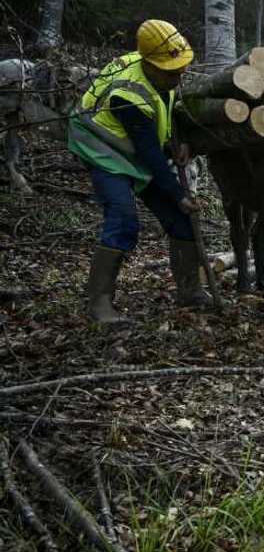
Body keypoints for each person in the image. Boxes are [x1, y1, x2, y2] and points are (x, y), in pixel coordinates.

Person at [68, 18, 207, 326]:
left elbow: (162, 119)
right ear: (151, 65)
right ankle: (100, 303)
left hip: (134, 147)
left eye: (181, 69)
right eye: (173, 71)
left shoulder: (160, 73)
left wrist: (177, 144)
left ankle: (190, 290)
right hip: (104, 148)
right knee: (123, 216)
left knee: (180, 218)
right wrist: (178, 193)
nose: (180, 76)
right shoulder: (127, 95)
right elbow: (149, 155)